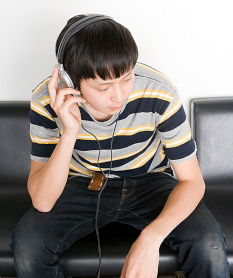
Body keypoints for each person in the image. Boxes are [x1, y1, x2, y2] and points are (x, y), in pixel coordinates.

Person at [10, 14, 230, 278]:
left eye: (127, 78)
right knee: (28, 245)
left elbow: (193, 181)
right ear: (70, 81)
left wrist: (151, 238)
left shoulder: (158, 90)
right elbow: (43, 201)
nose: (119, 96)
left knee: (208, 244)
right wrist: (69, 132)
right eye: (103, 87)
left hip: (151, 182)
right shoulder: (47, 100)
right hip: (81, 183)